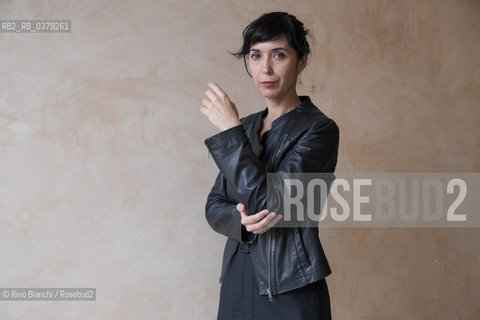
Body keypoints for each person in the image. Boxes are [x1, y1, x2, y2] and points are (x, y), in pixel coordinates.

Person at [200, 12, 339, 320]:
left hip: (290, 283)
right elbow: (214, 205)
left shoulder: (319, 130)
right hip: (237, 275)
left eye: (279, 54)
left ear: (301, 61)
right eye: (255, 56)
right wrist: (244, 224)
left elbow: (270, 201)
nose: (266, 68)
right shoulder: (245, 127)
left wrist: (229, 131)